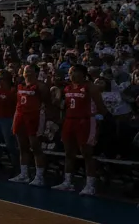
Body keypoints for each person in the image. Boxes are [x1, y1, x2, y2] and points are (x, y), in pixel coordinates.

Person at [55, 65, 108, 195]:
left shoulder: (90, 87)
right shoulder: (67, 88)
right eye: (70, 72)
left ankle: (90, 185)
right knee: (68, 153)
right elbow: (65, 106)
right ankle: (68, 182)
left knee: (87, 153)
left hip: (85, 121)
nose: (71, 74)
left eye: (74, 72)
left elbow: (101, 107)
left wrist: (98, 119)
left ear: (82, 73)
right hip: (70, 121)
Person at [10, 64, 48, 186]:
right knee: (22, 147)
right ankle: (24, 174)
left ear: (36, 73)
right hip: (20, 116)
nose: (28, 73)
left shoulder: (41, 86)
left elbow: (47, 103)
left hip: (34, 117)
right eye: (26, 71)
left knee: (35, 147)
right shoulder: (20, 85)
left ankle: (39, 176)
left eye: (31, 71)